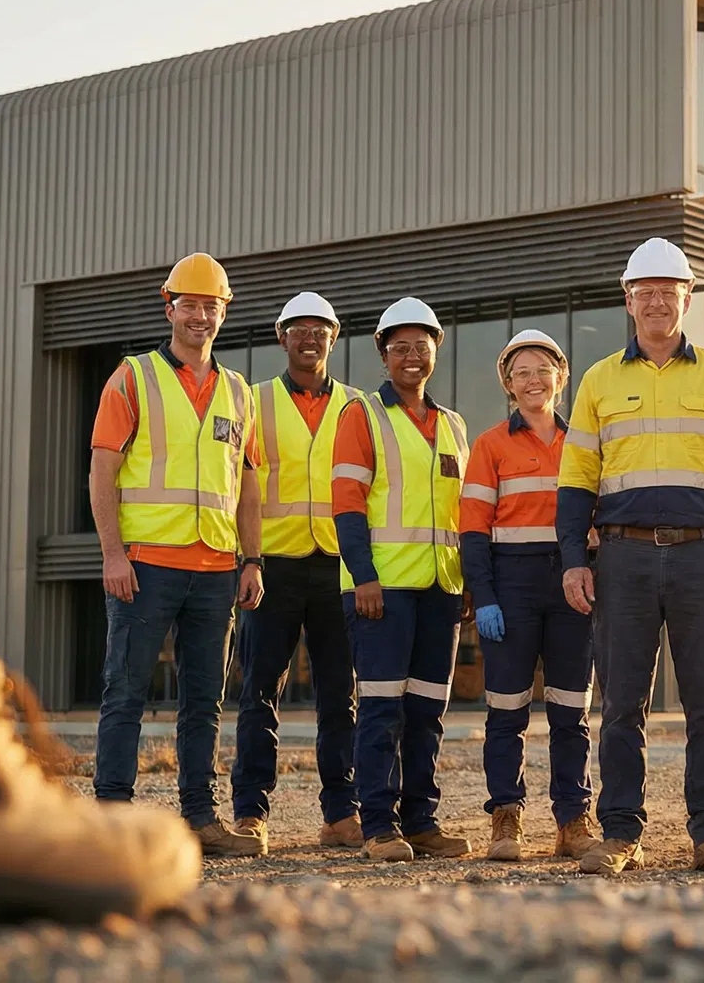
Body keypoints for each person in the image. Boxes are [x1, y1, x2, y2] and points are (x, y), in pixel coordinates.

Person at [556, 237, 704, 876]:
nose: (655, 302)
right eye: (644, 292)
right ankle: (621, 833)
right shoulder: (598, 380)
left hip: (703, 556)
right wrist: (573, 558)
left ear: (686, 299)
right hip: (622, 560)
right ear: (628, 300)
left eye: (667, 292)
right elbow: (576, 482)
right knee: (622, 704)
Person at [88, 252, 266, 857]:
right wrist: (113, 554)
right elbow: (102, 471)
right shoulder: (132, 378)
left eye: (210, 306)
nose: (199, 316)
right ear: (169, 308)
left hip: (217, 571)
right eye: (188, 304)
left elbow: (247, 485)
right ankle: (112, 821)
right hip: (146, 566)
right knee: (126, 692)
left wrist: (253, 560)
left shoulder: (239, 393)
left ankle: (200, 819)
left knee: (203, 702)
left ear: (223, 313)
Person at [330, 297, 473, 863]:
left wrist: (465, 584)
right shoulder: (362, 414)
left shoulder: (453, 425)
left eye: (422, 346)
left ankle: (421, 821)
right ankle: (379, 827)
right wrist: (363, 577)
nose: (412, 357)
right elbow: (346, 503)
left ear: (436, 351)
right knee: (382, 710)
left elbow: (460, 513)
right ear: (384, 355)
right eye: (401, 348)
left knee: (427, 712)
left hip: (441, 591)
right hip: (381, 592)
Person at [229, 292, 370, 854]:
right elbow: (240, 484)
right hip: (273, 568)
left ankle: (342, 812)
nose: (310, 338)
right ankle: (250, 814)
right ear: (281, 337)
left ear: (334, 339)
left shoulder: (358, 406)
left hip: (338, 568)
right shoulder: (254, 401)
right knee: (260, 692)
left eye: (321, 330)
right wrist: (248, 558)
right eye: (299, 329)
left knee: (342, 694)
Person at [459, 330, 602, 862]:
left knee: (572, 711)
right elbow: (473, 529)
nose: (533, 379)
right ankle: (506, 818)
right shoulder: (490, 445)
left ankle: (572, 820)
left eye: (543, 369)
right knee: (506, 711)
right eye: (522, 372)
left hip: (571, 584)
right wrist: (486, 595)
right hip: (512, 585)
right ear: (508, 384)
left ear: (560, 379)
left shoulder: (585, 442)